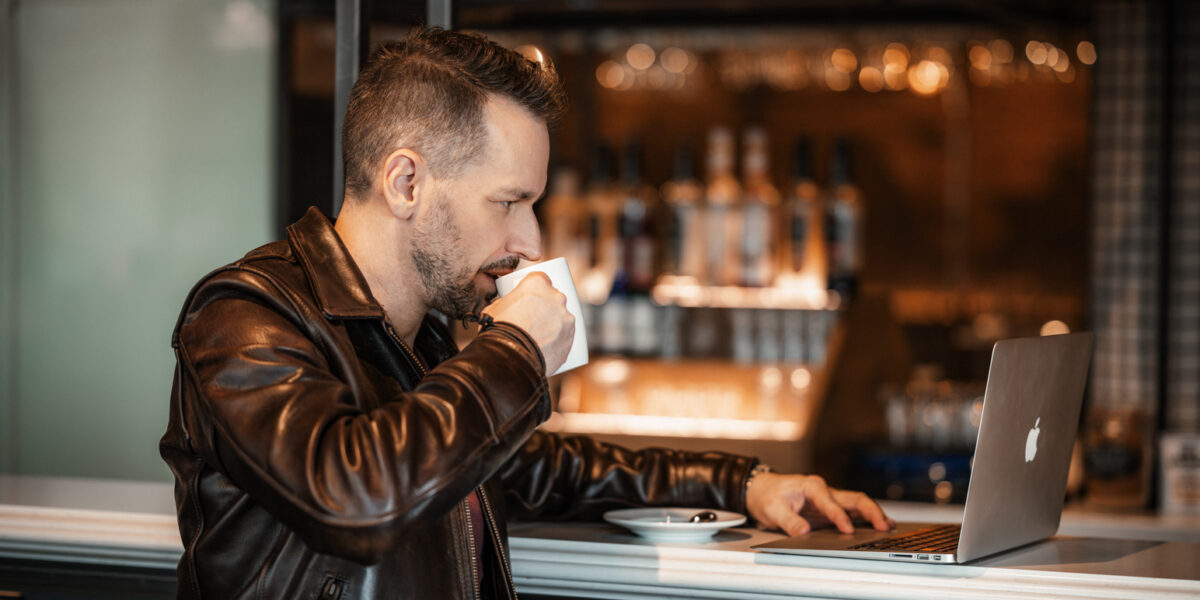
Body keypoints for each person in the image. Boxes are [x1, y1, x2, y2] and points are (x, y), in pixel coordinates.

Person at [160, 27, 893, 600]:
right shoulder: (244, 315)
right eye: (509, 202)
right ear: (407, 182)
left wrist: (738, 484)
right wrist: (513, 349)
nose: (531, 240)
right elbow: (355, 496)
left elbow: (542, 469)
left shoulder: (428, 341)